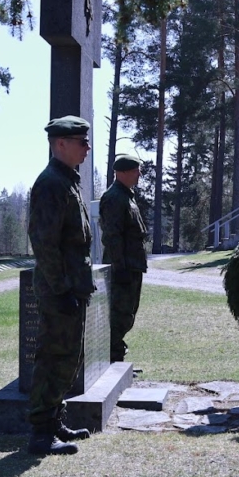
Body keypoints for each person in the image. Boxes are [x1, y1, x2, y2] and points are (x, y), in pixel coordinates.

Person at [25, 115, 96, 456]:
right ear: (61, 144)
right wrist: (61, 289)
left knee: (67, 358)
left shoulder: (67, 182)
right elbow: (44, 243)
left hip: (71, 286)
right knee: (54, 357)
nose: (87, 147)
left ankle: (54, 420)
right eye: (82, 142)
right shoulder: (51, 184)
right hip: (60, 290)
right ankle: (41, 434)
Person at [100, 153, 148, 363]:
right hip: (123, 268)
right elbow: (112, 236)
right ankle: (113, 359)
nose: (139, 175)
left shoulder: (126, 195)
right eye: (136, 171)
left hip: (132, 266)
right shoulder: (114, 198)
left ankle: (116, 357)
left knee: (127, 314)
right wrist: (119, 269)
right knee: (119, 315)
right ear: (123, 173)